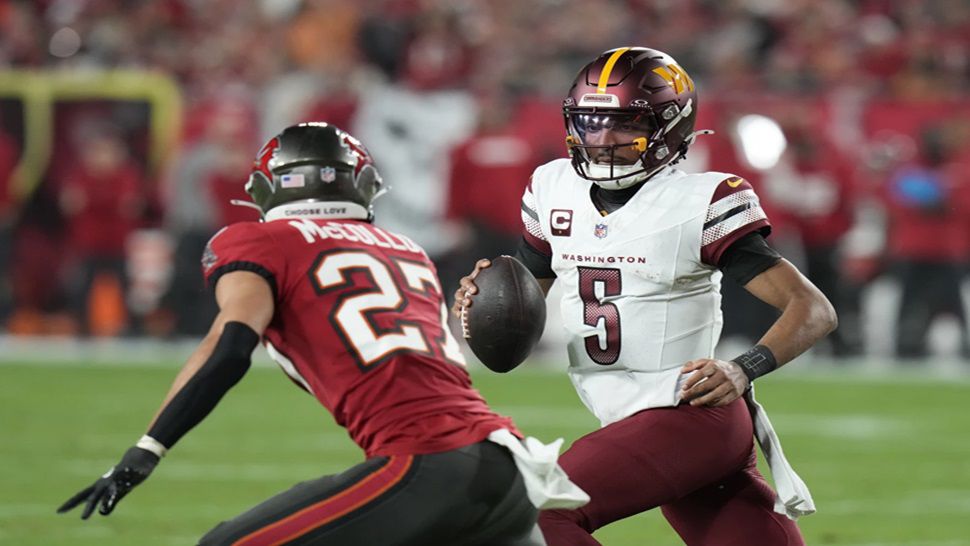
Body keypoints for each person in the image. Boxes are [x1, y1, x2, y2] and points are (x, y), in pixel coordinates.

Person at [58, 123, 587, 545]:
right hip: (508, 465)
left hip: (425, 464)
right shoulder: (405, 249)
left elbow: (231, 342)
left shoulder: (258, 240)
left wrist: (148, 447)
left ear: (270, 189)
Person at [454, 47, 837, 545]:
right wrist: (478, 300)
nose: (603, 139)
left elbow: (813, 308)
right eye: (590, 123)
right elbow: (521, 299)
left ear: (669, 128)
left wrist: (744, 367)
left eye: (625, 125)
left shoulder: (699, 201)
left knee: (537, 507)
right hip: (641, 421)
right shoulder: (552, 189)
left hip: (687, 413)